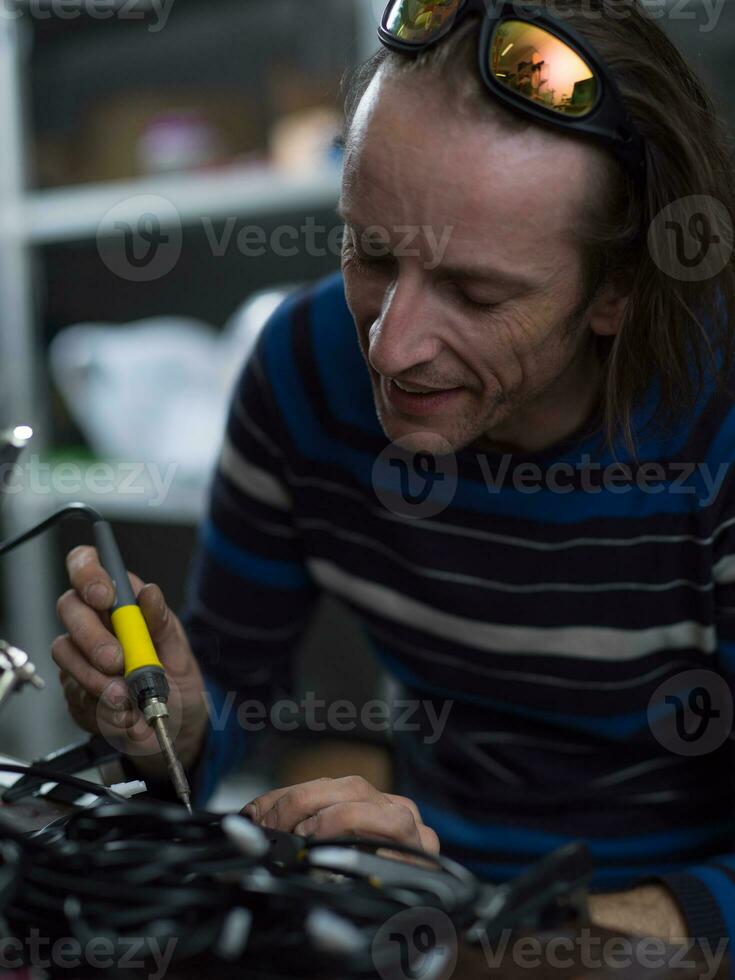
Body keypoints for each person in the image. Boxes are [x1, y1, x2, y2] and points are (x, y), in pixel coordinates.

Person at [52, 0, 735, 946]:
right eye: (369, 253)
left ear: (616, 290)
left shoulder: (718, 422)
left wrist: (539, 942)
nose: (390, 346)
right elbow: (231, 688)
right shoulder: (300, 370)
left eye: (476, 292)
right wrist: (174, 722)